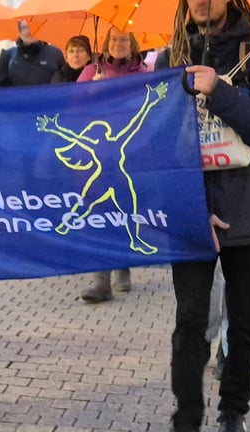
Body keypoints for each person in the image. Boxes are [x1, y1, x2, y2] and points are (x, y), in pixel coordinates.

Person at [156, 0, 250, 432]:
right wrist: (190, 205)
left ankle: (233, 411)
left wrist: (220, 91)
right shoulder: (168, 58)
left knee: (243, 316)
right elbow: (156, 143)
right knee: (190, 318)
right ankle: (186, 416)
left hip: (247, 205)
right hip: (190, 208)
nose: (199, 0)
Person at [75, 27, 149, 303]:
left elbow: (151, 112)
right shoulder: (90, 71)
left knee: (125, 211)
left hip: (130, 156)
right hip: (96, 161)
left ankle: (124, 264)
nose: (119, 44)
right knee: (100, 216)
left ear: (132, 44)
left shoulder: (142, 75)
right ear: (105, 44)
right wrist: (90, 89)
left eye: (124, 40)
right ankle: (101, 279)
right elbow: (72, 107)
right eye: (114, 39)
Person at [0, 19, 64, 87]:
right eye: (25, 27)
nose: (30, 31)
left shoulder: (55, 54)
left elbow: (65, 83)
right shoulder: (8, 57)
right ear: (19, 33)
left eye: (33, 26)